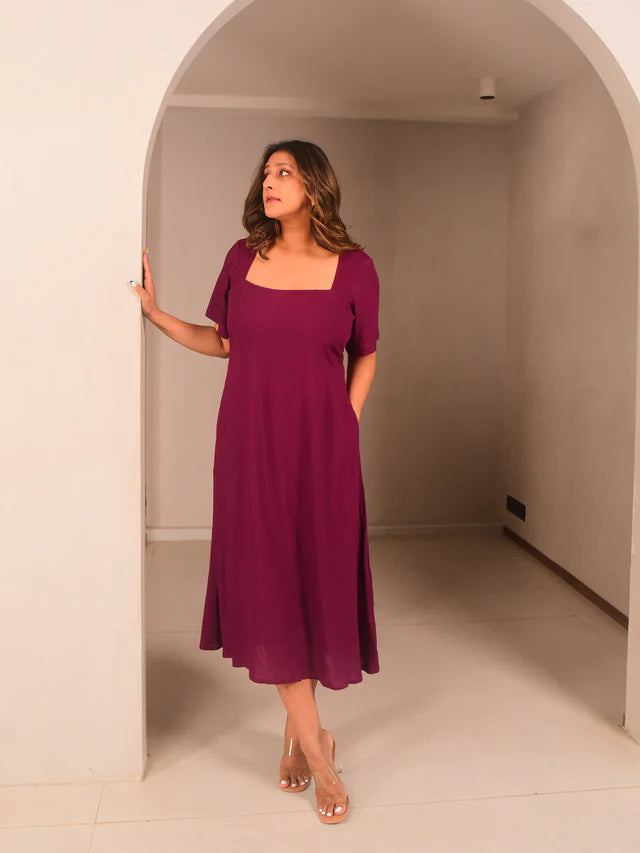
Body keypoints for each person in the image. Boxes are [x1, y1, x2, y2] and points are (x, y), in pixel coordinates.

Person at [131, 139, 381, 825]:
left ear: (314, 186)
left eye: (285, 172)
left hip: (324, 452)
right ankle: (320, 751)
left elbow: (366, 354)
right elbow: (225, 343)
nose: (270, 181)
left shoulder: (356, 269)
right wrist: (157, 315)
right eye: (267, 172)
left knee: (311, 584)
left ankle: (298, 734)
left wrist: (346, 422)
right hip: (250, 448)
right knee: (269, 586)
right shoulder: (242, 258)